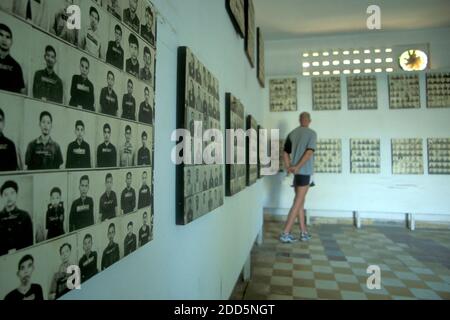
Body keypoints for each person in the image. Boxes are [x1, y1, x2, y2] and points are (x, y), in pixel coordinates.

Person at [280, 112, 317, 243]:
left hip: (295, 173)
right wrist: (298, 167)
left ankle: (304, 232)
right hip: (304, 172)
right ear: (309, 120)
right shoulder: (312, 134)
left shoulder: (292, 134)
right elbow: (309, 153)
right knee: (297, 203)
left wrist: (290, 166)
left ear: (299, 120)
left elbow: (285, 152)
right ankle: (285, 233)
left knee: (300, 202)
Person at [0, 181, 33, 256]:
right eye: (5, 194)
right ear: (1, 197)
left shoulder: (25, 216)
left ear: (17, 195)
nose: (9, 197)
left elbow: (29, 242)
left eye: (12, 193)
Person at [0, 23, 26, 94]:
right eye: (1, 35)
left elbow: (21, 93)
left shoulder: (16, 66)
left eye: (8, 37)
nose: (4, 40)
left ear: (11, 42)